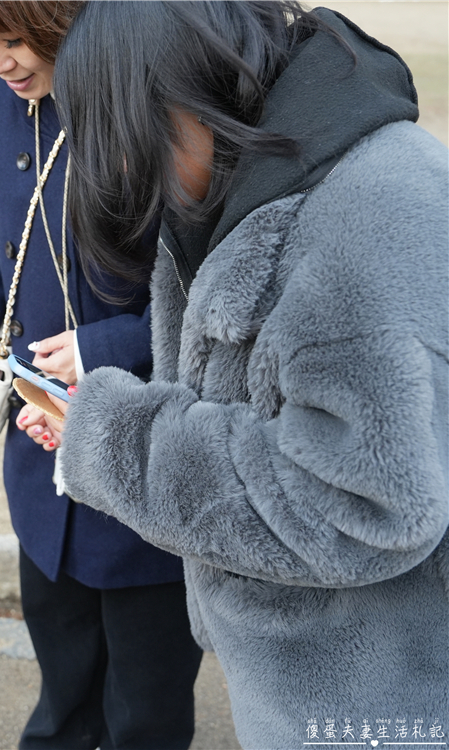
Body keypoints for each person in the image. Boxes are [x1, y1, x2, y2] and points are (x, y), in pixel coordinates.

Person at [45, 3, 449, 748]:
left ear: (183, 97)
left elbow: (360, 502)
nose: (125, 170)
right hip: (325, 681)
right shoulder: (251, 180)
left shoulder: (365, 213)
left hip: (389, 704)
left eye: (126, 140)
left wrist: (111, 439)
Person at [0, 3, 203, 748]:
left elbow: (211, 281)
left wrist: (108, 345)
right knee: (61, 655)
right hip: (40, 432)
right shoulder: (1, 96)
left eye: (11, 38)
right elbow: (1, 218)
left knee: (146, 694)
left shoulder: (157, 98)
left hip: (144, 435)